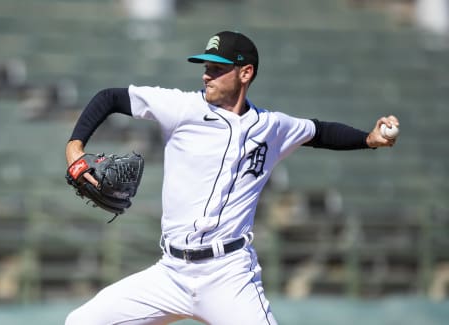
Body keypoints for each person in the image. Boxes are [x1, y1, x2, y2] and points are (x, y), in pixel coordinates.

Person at [64, 31, 399, 325]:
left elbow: (320, 131)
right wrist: (76, 146)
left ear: (245, 73)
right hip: (171, 272)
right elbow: (110, 97)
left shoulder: (272, 127)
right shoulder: (182, 107)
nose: (207, 76)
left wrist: (369, 140)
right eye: (206, 68)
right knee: (81, 321)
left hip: (228, 275)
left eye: (217, 68)